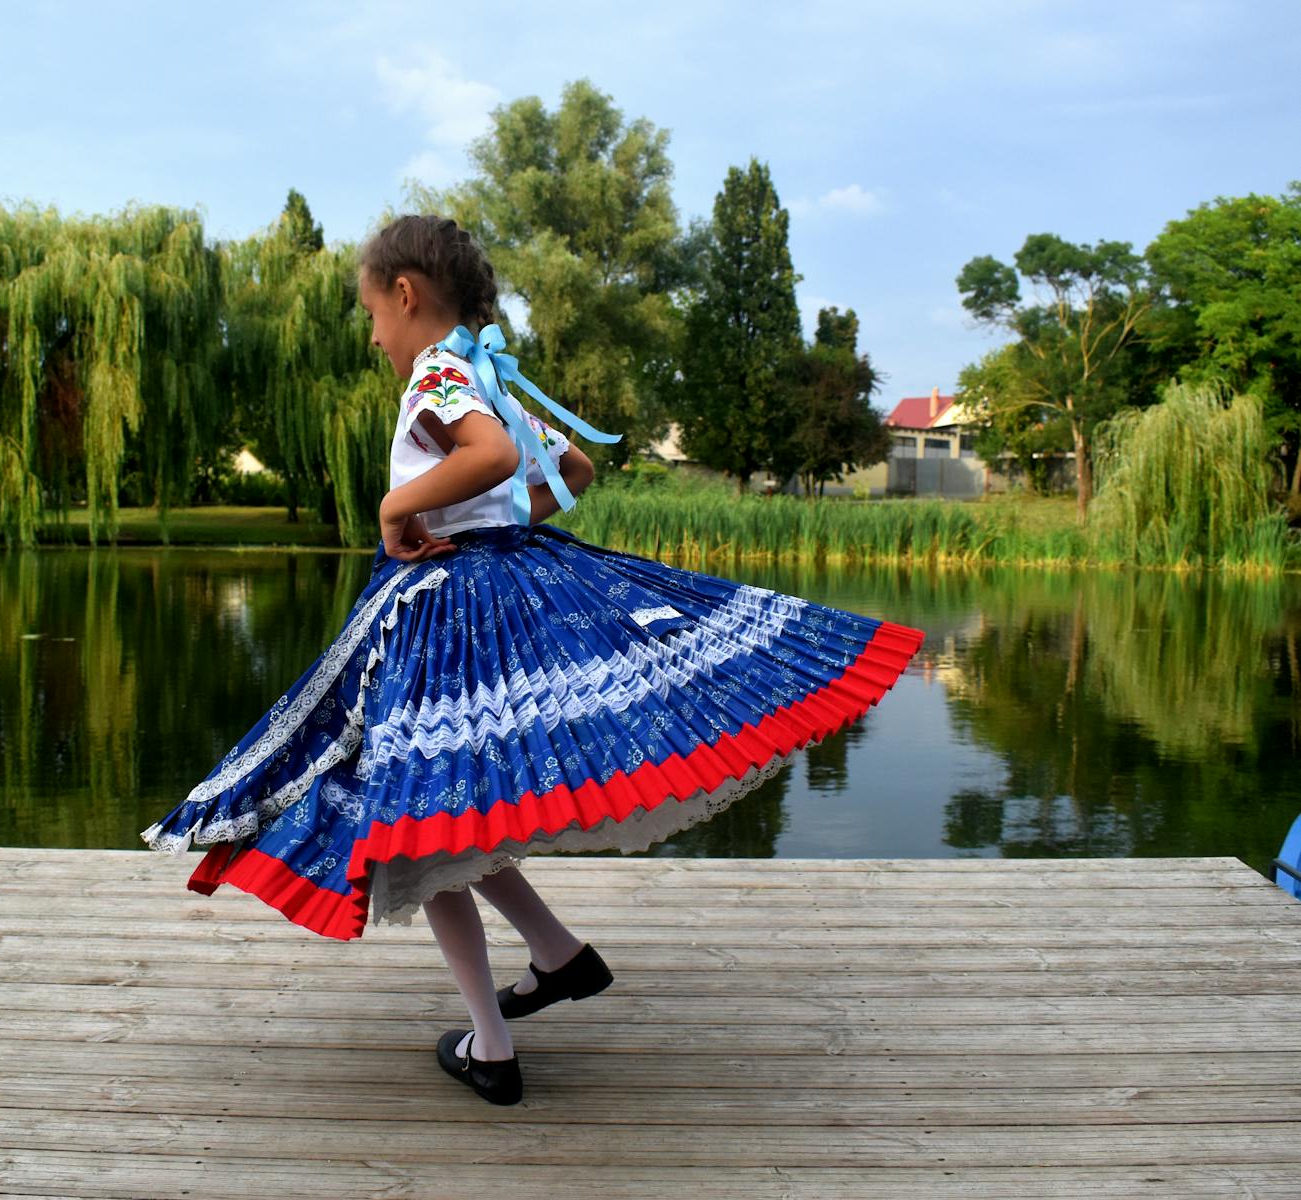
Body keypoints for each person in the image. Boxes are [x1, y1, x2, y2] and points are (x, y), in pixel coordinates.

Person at [141, 214, 924, 1107]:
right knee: (449, 809)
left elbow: (495, 456)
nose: (370, 335)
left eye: (370, 313)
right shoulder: (484, 370)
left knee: (420, 819)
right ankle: (555, 957)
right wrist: (492, 524)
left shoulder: (440, 370)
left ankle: (492, 1042)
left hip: (446, 617)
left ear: (405, 295)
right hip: (501, 587)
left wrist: (398, 506)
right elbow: (572, 470)